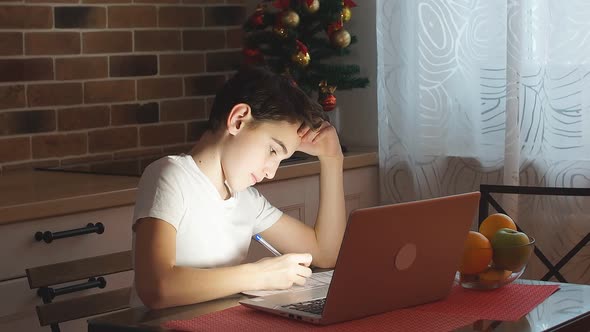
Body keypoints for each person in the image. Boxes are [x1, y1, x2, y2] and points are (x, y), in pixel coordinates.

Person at [131, 65, 346, 309]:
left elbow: (326, 254)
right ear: (238, 120)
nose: (270, 172)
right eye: (272, 150)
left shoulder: (247, 200)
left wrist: (332, 160)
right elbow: (156, 287)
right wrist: (260, 275)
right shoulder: (170, 176)